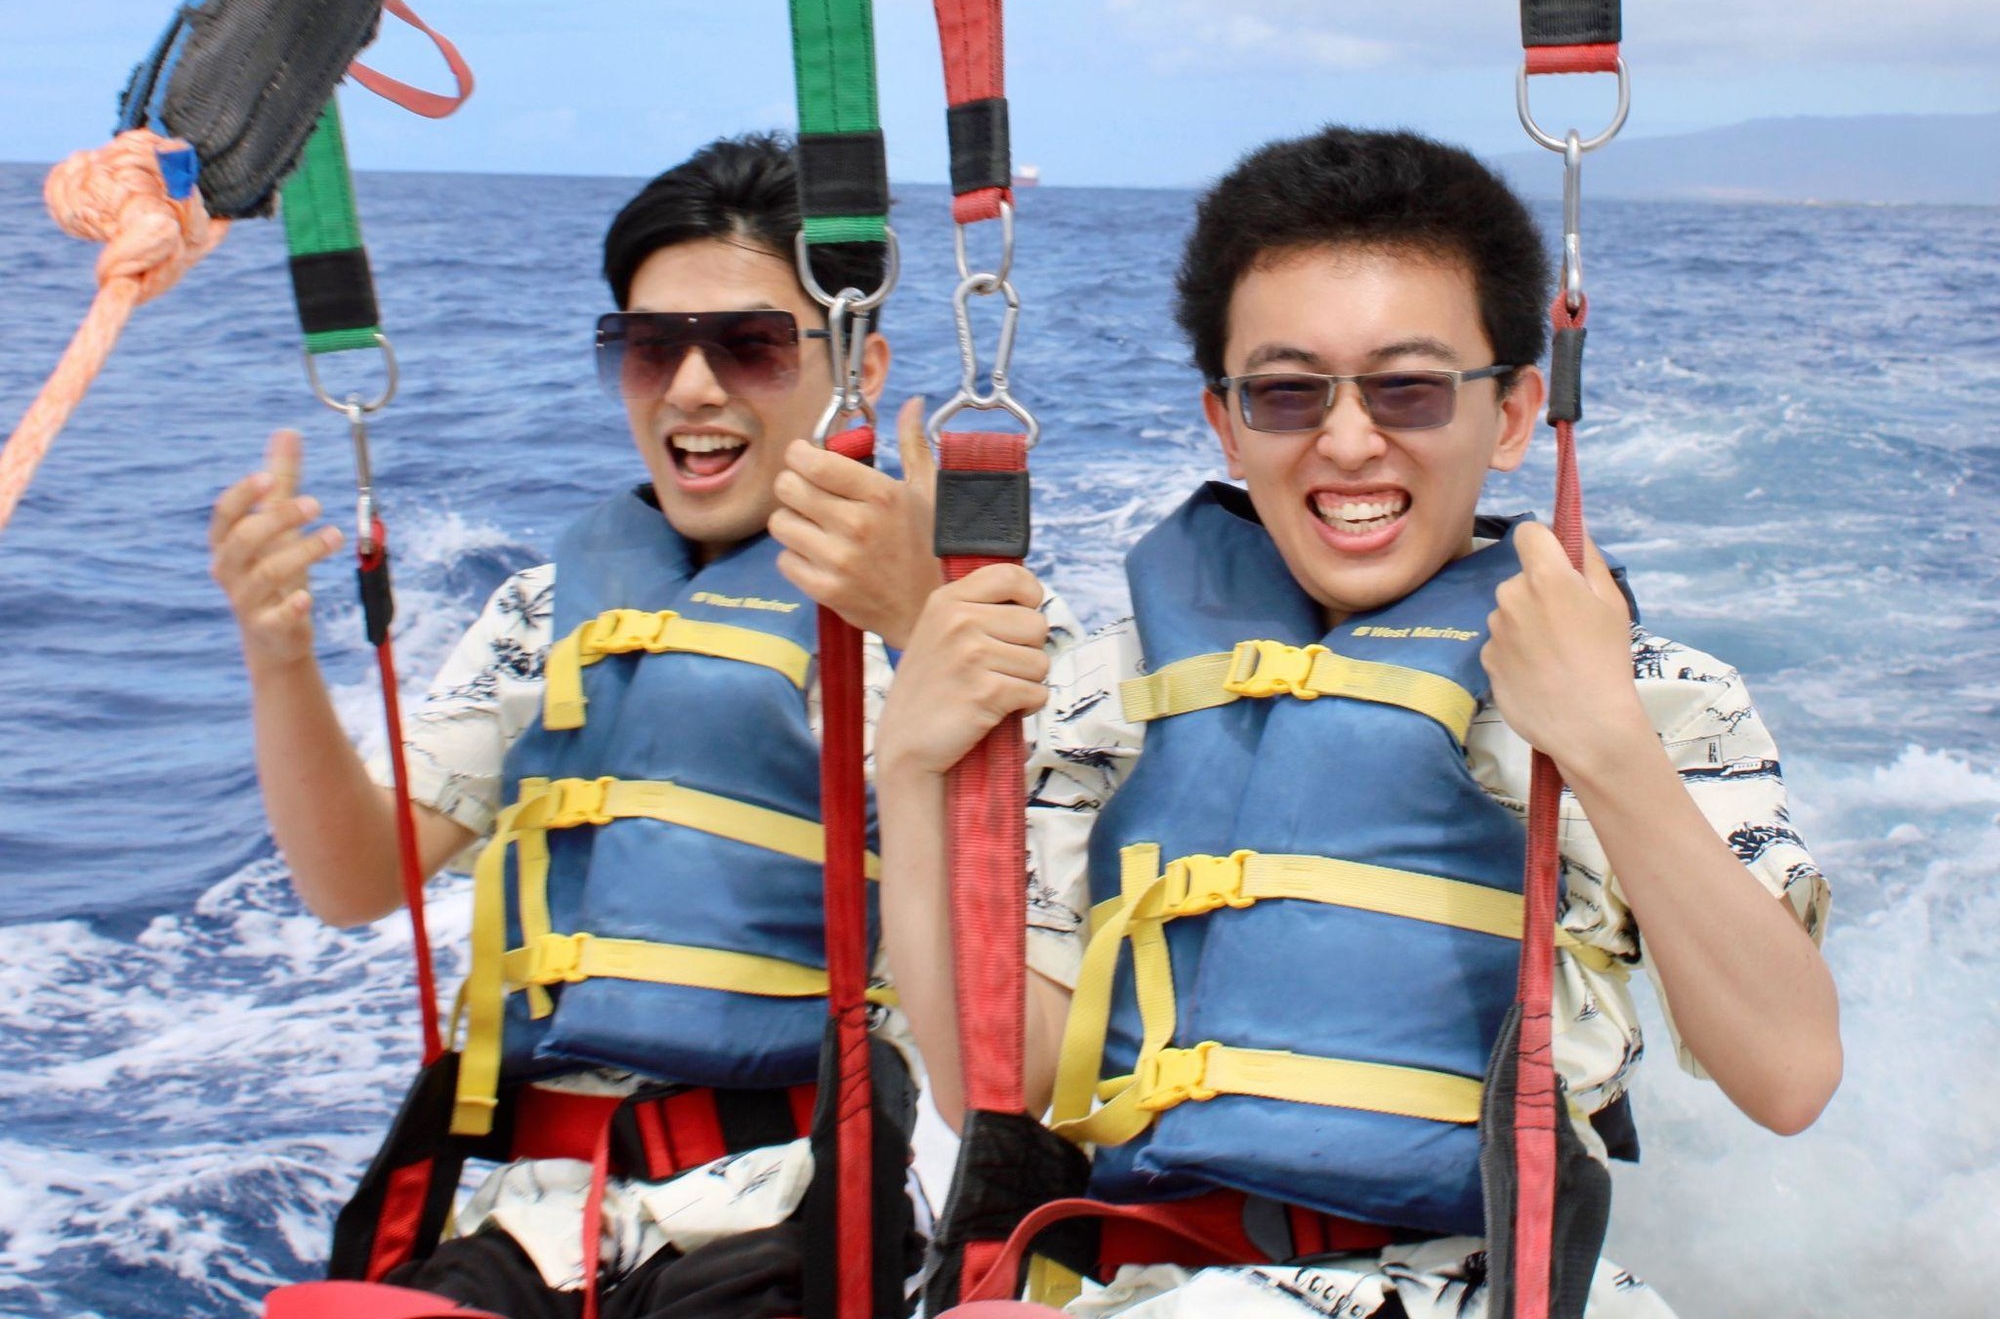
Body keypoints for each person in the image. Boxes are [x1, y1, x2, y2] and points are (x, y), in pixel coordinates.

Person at [879, 126, 1840, 1318]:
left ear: (1509, 413)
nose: (1345, 439)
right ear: (1225, 423)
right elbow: (997, 1088)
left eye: (1408, 387)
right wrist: (913, 773)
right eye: (1286, 391)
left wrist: (1601, 743)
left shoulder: (1650, 691)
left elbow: (1788, 1074)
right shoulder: (1101, 698)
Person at [210, 133, 950, 1319]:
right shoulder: (546, 609)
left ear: (859, 358)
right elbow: (355, 875)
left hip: (797, 1199)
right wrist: (279, 656)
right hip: (532, 1203)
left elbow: (1013, 957)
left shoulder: (955, 615)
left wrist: (920, 617)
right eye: (649, 346)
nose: (693, 388)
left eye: (750, 346)